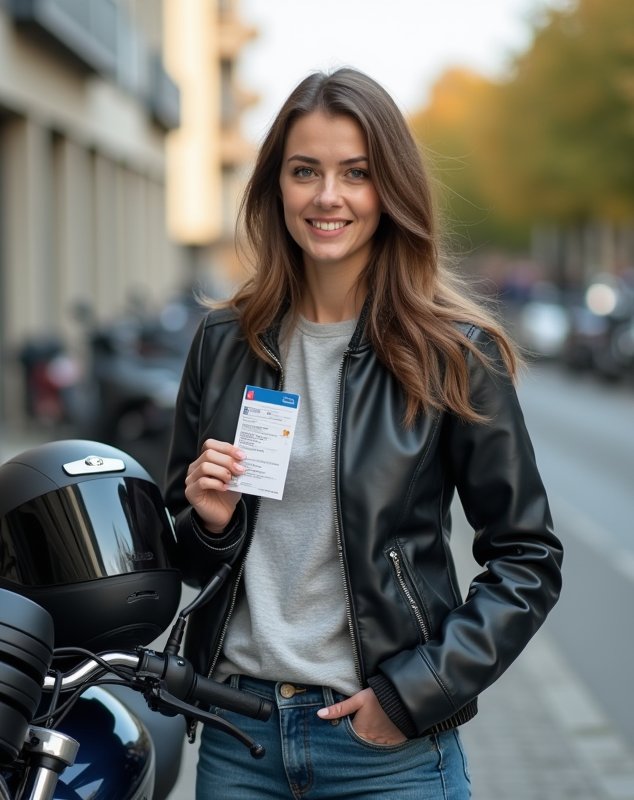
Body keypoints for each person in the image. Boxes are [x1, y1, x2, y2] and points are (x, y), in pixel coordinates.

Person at [164, 68, 562, 799]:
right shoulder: (223, 342)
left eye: (357, 173)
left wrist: (412, 696)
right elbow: (186, 559)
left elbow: (527, 559)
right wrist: (210, 524)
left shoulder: (453, 353)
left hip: (386, 752)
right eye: (304, 171)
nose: (327, 197)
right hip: (237, 740)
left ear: (391, 190)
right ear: (274, 188)